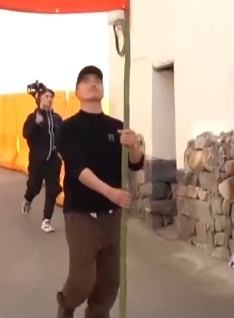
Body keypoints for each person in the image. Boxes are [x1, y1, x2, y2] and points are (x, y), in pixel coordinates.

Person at [54, 65, 144, 318]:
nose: (93, 84)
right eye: (86, 81)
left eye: (97, 80)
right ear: (77, 91)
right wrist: (110, 192)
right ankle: (67, 303)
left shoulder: (117, 127)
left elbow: (134, 164)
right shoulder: (69, 128)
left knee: (109, 282)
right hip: (81, 214)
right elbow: (78, 169)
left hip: (112, 216)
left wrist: (133, 146)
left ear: (103, 89)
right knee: (82, 279)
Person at [21, 88, 63, 233]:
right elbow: (26, 133)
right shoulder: (33, 117)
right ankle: (28, 199)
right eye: (46, 96)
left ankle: (46, 220)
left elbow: (62, 136)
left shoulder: (57, 118)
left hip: (54, 160)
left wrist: (61, 152)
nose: (49, 99)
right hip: (37, 159)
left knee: (52, 189)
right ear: (39, 99)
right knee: (34, 186)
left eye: (51, 97)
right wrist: (35, 124)